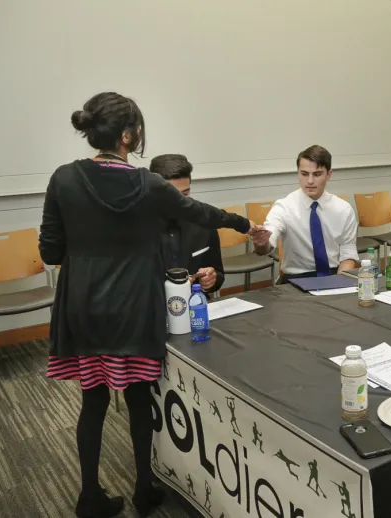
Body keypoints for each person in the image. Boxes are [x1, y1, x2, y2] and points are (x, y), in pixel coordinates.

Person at [40, 92, 256, 518]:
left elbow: (50, 252)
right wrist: (245, 224)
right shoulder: (148, 185)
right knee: (141, 400)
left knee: (94, 401)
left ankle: (88, 497)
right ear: (127, 136)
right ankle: (144, 489)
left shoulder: (63, 178)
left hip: (83, 306)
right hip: (136, 306)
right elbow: (199, 212)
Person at [252, 145, 359, 281]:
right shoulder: (284, 207)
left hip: (334, 273)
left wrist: (338, 284)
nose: (309, 181)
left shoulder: (343, 210)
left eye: (317, 174)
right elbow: (268, 242)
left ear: (328, 175)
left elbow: (348, 256)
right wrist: (262, 243)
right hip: (296, 277)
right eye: (304, 174)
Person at [150, 154, 224, 298]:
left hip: (195, 308)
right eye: (171, 195)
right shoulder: (136, 226)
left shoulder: (204, 221)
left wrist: (211, 279)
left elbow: (218, 274)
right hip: (152, 313)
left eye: (185, 193)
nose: (180, 203)